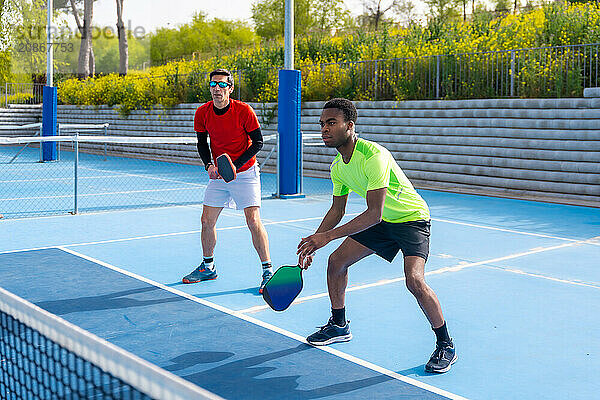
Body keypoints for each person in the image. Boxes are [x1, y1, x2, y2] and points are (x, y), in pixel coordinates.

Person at [297, 98, 457, 373]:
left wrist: (328, 237)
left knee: (415, 281)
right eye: (322, 124)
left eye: (331, 123)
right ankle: (338, 325)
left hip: (411, 219)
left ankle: (446, 344)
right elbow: (337, 209)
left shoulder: (374, 156)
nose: (325, 129)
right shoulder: (338, 166)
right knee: (336, 262)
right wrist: (315, 240)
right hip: (384, 220)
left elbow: (374, 214)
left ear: (350, 126)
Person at [182, 68, 273, 294]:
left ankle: (267, 270)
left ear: (230, 88)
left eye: (222, 85)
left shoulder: (243, 110)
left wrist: (236, 164)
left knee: (253, 221)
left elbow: (258, 143)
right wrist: (209, 165)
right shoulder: (202, 112)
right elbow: (202, 143)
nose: (217, 89)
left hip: (246, 173)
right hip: (219, 175)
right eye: (213, 85)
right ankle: (208, 266)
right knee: (206, 221)